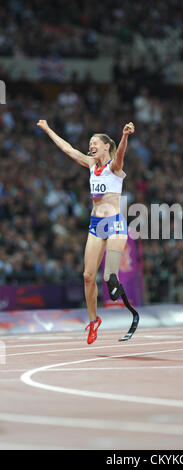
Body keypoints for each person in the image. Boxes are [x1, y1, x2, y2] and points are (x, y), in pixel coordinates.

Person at [37, 119, 135, 344]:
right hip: (96, 225)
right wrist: (47, 129)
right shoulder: (92, 165)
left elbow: (120, 154)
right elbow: (67, 149)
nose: (91, 146)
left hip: (115, 224)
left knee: (108, 277)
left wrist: (125, 136)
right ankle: (93, 321)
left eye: (95, 143)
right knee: (88, 276)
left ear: (105, 146)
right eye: (90, 143)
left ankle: (114, 284)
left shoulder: (114, 167)